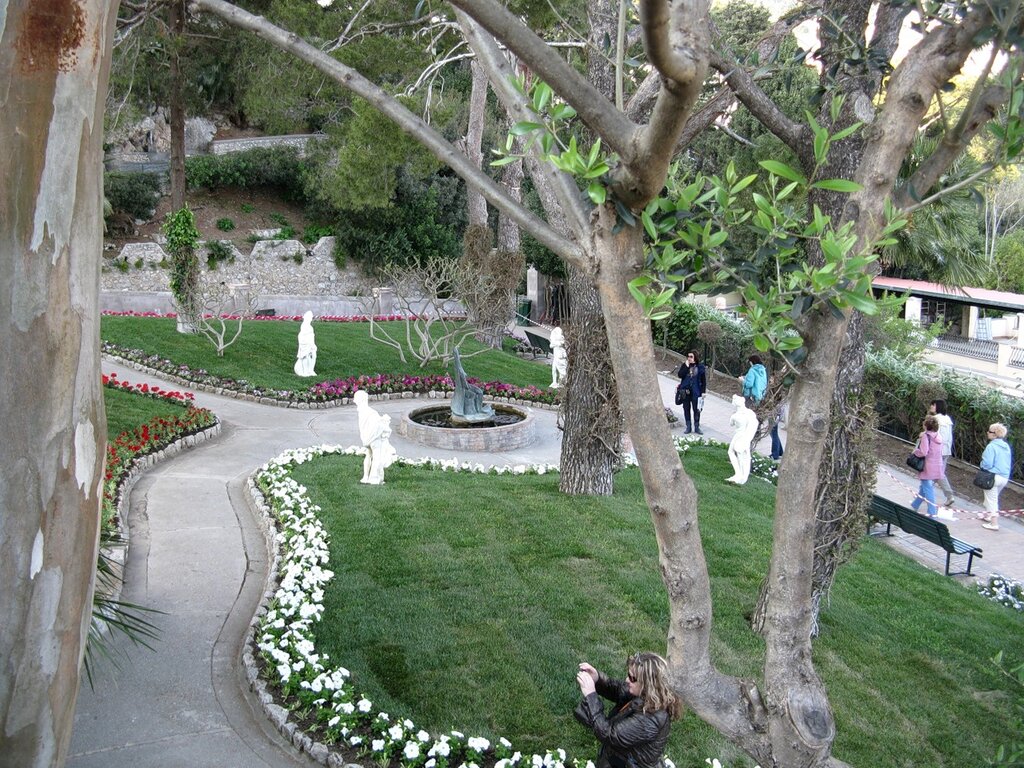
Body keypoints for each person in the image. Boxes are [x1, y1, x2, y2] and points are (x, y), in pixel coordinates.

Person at [574, 652, 682, 768]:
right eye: (628, 674)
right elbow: (618, 690)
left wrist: (591, 697)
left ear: (647, 684)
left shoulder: (651, 719)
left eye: (632, 678)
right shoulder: (644, 694)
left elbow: (609, 735)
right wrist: (597, 678)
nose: (627, 680)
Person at [354, 389, 397, 484]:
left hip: (366, 438)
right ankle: (374, 478)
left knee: (368, 455)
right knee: (377, 457)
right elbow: (377, 425)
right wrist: (384, 421)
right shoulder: (370, 412)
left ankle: (365, 477)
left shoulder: (361, 412)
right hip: (374, 438)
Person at [979, 422, 1012, 530]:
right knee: (993, 497)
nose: (987, 433)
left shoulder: (991, 446)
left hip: (993, 476)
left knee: (991, 500)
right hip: (1004, 477)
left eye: (990, 431)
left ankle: (994, 523)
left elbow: (987, 463)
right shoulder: (1006, 446)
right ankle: (988, 516)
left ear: (995, 434)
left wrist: (982, 466)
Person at [909, 415, 943, 518]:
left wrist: (915, 452)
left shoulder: (926, 436)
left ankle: (932, 512)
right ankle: (915, 504)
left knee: (928, 488)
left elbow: (924, 452)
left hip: (927, 466)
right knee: (925, 487)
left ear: (926, 426)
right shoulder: (938, 436)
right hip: (937, 464)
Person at [929, 400, 956, 506]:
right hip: (946, 450)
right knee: (937, 474)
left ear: (938, 407)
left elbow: (932, 435)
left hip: (937, 450)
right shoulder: (947, 419)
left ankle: (949, 495)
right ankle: (923, 494)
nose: (931, 406)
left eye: (933, 405)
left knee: (937, 474)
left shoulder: (935, 419)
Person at [727, 394, 758, 484]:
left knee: (734, 452)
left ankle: (740, 474)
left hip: (739, 435)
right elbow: (754, 424)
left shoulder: (735, 416)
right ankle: (741, 474)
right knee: (740, 453)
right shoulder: (750, 413)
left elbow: (731, 424)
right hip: (745, 436)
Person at [676, 350, 707, 434]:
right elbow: (680, 375)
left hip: (696, 391)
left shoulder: (700, 367)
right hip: (685, 391)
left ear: (695, 357)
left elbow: (703, 381)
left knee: (696, 409)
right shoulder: (685, 365)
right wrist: (686, 366)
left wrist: (703, 392)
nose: (689, 358)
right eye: (688, 356)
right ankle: (688, 427)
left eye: (691, 356)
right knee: (686, 408)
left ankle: (697, 427)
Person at [293, 311, 318, 377]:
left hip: (311, 343)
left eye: (311, 317)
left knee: (314, 356)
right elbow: (302, 336)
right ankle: (305, 371)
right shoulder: (304, 325)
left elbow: (312, 336)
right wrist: (304, 343)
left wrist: (313, 344)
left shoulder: (310, 326)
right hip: (305, 343)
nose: (311, 319)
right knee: (305, 357)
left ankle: (311, 370)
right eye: (309, 317)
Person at [769, 396, 787, 461]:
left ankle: (775, 454)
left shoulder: (777, 402)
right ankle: (780, 451)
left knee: (774, 434)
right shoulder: (780, 402)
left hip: (774, 416)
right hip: (775, 415)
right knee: (774, 434)